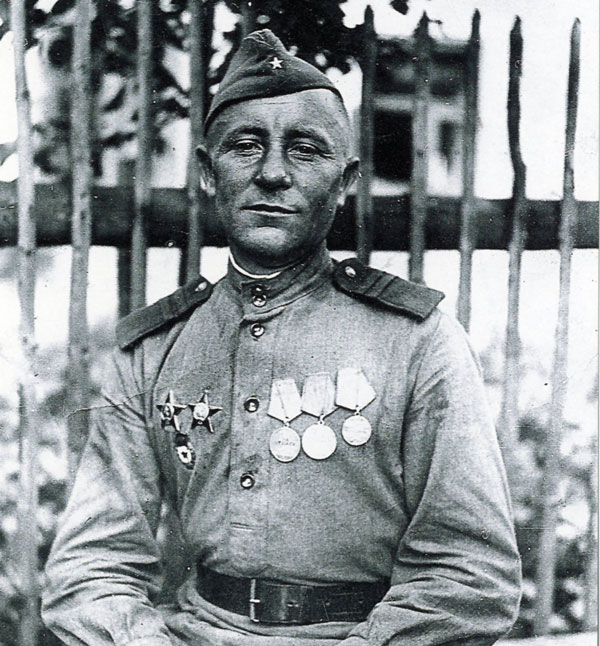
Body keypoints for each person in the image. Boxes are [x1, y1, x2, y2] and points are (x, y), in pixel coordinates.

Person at [42, 29, 521, 646]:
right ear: (208, 173)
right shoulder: (154, 350)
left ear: (344, 182)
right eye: (245, 146)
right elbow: (90, 568)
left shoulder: (416, 340)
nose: (272, 173)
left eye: (305, 150)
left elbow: (470, 576)